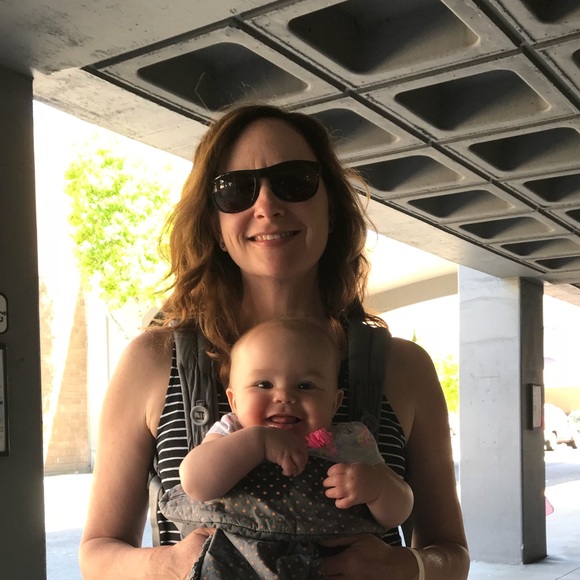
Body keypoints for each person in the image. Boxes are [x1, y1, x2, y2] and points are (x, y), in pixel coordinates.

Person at [79, 102, 470, 579]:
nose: (266, 205)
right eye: (235, 189)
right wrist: (171, 566)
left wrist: (406, 567)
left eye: (294, 181)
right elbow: (97, 554)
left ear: (332, 208)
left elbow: (451, 553)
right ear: (215, 224)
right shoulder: (152, 361)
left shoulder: (404, 368)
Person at [168, 314, 412, 529]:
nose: (284, 396)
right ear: (234, 401)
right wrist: (258, 442)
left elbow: (399, 511)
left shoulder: (350, 440)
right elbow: (195, 482)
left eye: (305, 386)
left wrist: (377, 486)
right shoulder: (232, 430)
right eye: (264, 384)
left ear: (334, 403)